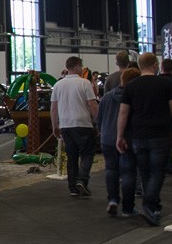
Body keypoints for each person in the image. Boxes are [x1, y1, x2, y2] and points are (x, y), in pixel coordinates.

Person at [117, 52, 172, 226]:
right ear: (155, 64)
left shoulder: (131, 86)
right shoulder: (166, 83)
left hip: (138, 135)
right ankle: (149, 204)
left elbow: (123, 113)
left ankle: (153, 207)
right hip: (160, 134)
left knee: (145, 171)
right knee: (158, 172)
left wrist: (120, 135)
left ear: (140, 66)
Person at [51, 56, 99, 197]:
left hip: (66, 125)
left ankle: (73, 188)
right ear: (77, 66)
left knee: (71, 156)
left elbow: (53, 108)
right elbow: (92, 105)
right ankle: (82, 180)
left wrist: (55, 126)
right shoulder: (85, 83)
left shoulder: (58, 85)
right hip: (82, 124)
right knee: (87, 153)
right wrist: (99, 122)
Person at [97, 67, 140, 216]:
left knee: (111, 170)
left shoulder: (107, 97)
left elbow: (99, 118)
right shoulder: (135, 98)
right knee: (128, 173)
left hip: (107, 138)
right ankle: (128, 208)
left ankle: (113, 200)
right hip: (126, 139)